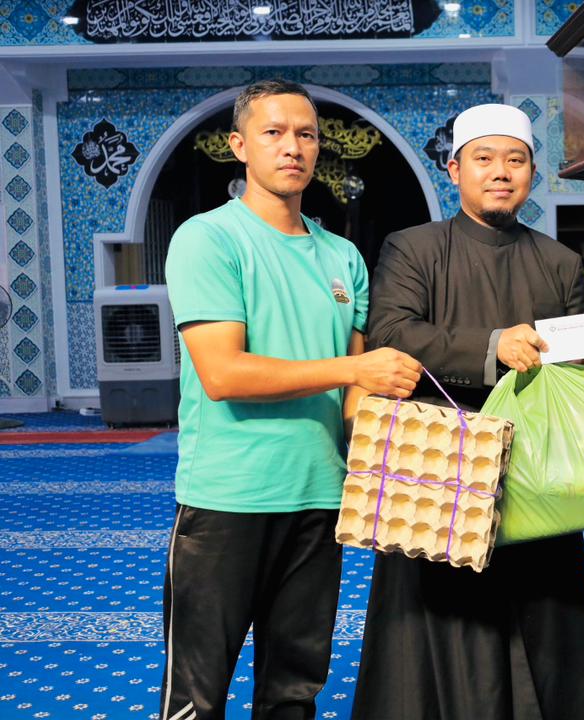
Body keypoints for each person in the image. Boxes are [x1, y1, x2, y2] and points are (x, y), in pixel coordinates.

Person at [160, 79, 421, 720]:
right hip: (229, 495)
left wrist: (413, 458)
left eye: (305, 134)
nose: (292, 147)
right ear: (238, 145)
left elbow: (356, 395)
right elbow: (224, 373)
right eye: (273, 132)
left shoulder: (343, 257)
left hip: (320, 495)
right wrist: (355, 368)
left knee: (294, 692)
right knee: (196, 698)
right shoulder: (207, 238)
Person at [351, 103, 584, 720]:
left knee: (543, 609)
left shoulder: (561, 262)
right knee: (441, 623)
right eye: (484, 158)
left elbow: (579, 366)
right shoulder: (413, 248)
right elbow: (391, 331)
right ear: (454, 170)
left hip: (537, 470)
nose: (500, 172)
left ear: (531, 174)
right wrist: (493, 347)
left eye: (515, 160)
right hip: (439, 469)